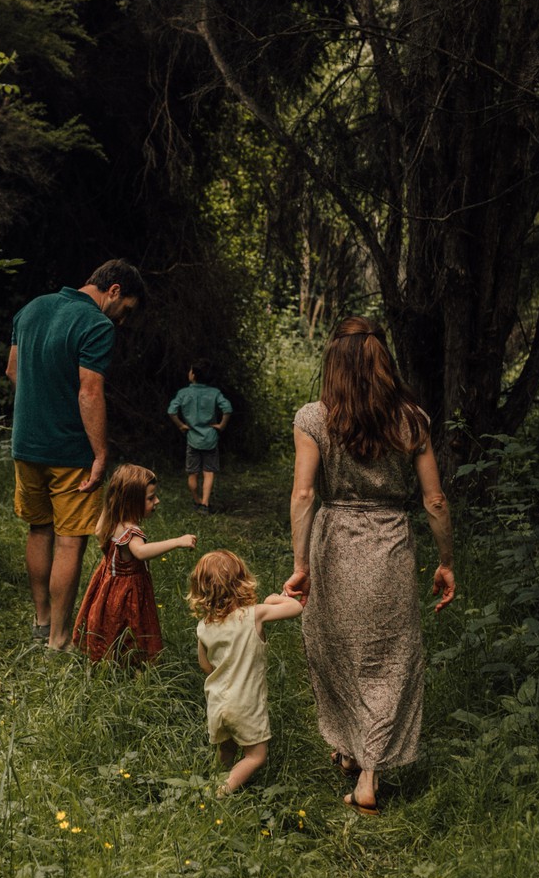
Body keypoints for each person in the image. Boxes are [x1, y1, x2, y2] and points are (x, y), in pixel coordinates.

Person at [285, 316, 456, 815]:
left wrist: (301, 564)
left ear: (332, 364)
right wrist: (446, 562)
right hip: (390, 549)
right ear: (384, 362)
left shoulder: (313, 419)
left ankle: (355, 754)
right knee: (388, 659)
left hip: (334, 542)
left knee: (334, 646)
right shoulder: (411, 420)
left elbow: (302, 493)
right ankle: (368, 770)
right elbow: (436, 500)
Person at [6, 258, 146, 652]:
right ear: (114, 290)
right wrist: (101, 454)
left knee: (38, 529)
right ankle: (59, 640)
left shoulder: (31, 308)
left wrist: (40, 402)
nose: (121, 320)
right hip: (69, 451)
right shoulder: (95, 324)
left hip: (25, 444)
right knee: (69, 541)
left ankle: (41, 622)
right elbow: (89, 391)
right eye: (126, 310)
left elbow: (13, 371)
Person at [187, 549, 303, 796]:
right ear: (242, 582)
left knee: (226, 749)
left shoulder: (204, 627)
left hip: (217, 702)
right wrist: (273, 599)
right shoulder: (255, 614)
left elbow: (205, 666)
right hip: (246, 703)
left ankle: (217, 777)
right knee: (256, 756)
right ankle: (222, 791)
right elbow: (294, 607)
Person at [73, 464, 197, 663]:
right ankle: (134, 663)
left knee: (110, 620)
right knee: (133, 625)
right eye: (150, 498)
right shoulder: (131, 532)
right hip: (128, 590)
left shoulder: (112, 523)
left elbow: (97, 531)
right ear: (131, 501)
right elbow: (140, 552)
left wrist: (110, 500)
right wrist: (177, 541)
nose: (157, 501)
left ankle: (108, 656)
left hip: (107, 584)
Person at [168, 359, 233, 514]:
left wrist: (181, 425)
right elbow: (227, 408)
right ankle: (205, 503)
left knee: (193, 473)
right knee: (209, 472)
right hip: (210, 438)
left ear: (193, 375)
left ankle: (196, 501)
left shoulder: (184, 393)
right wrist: (221, 425)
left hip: (192, 438)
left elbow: (171, 411)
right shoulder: (214, 393)